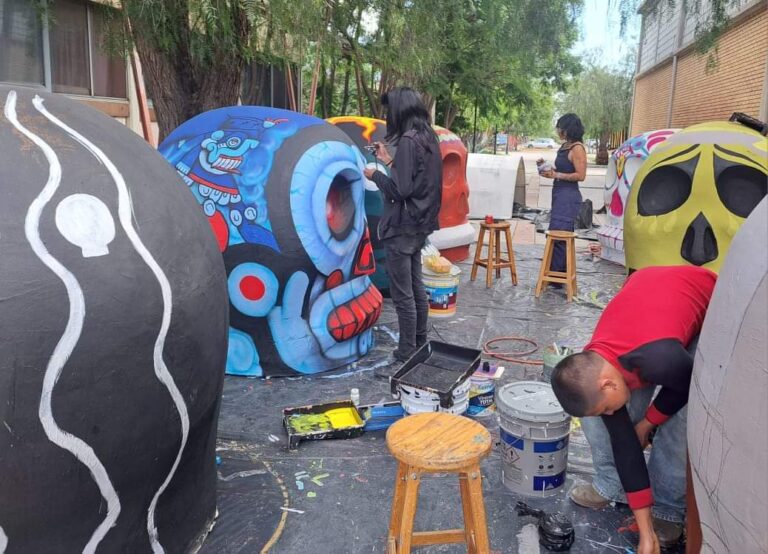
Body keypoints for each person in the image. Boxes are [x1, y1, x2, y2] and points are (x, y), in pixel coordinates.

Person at [550, 265, 717, 554]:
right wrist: (645, 533)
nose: (609, 414)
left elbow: (684, 383)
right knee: (608, 422)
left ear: (608, 385)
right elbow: (626, 446)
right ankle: (613, 487)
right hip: (649, 313)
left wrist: (648, 423)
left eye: (606, 406)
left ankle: (666, 510)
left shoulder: (660, 359)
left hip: (707, 302)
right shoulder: (594, 364)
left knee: (679, 422)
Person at [363, 87, 442, 361]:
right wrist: (389, 160)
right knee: (416, 286)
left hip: (403, 226)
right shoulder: (428, 137)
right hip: (420, 224)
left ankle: (407, 349)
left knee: (403, 294)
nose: (388, 115)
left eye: (389, 110)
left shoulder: (409, 140)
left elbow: (399, 191)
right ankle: (420, 342)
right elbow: (416, 178)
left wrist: (375, 174)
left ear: (399, 110)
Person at [539, 113, 587, 273]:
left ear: (566, 130)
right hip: (558, 194)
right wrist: (546, 169)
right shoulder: (565, 146)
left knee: (560, 234)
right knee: (555, 232)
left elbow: (581, 175)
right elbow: (561, 169)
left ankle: (557, 275)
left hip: (568, 197)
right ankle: (554, 272)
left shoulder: (577, 148)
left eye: (559, 128)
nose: (558, 131)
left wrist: (557, 175)